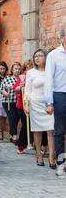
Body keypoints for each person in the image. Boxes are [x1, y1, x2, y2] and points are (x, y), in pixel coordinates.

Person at [24, 49, 55, 168]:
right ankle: (39, 155)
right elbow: (27, 90)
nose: (37, 58)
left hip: (48, 102)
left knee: (51, 130)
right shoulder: (31, 72)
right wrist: (26, 104)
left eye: (40, 56)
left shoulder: (50, 71)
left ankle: (51, 156)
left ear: (46, 58)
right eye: (35, 56)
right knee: (37, 130)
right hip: (35, 102)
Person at [45, 29, 66, 177]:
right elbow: (48, 80)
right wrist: (49, 102)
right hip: (60, 95)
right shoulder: (53, 55)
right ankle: (61, 164)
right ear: (63, 38)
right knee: (59, 132)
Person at [13, 59, 33, 154]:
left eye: (31, 66)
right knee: (26, 126)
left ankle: (35, 144)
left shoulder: (36, 75)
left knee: (35, 125)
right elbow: (16, 89)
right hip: (22, 105)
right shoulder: (22, 77)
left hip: (35, 104)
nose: (29, 69)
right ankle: (21, 145)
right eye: (27, 67)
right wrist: (21, 86)